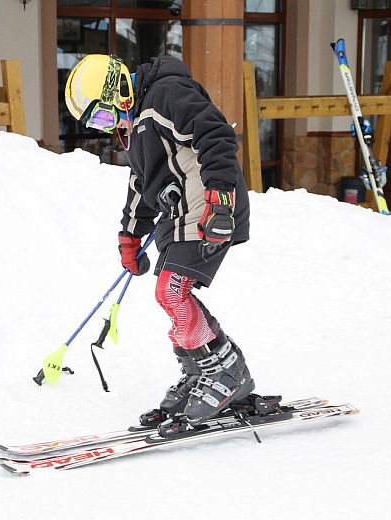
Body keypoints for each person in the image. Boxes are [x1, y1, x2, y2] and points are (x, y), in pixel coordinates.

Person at [64, 54, 254, 426]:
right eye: (100, 125)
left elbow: (215, 133)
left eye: (103, 116)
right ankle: (202, 370)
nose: (108, 127)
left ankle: (227, 373)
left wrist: (220, 199)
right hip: (180, 213)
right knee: (171, 294)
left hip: (210, 204)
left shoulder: (167, 94)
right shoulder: (136, 125)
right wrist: (130, 235)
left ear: (118, 90)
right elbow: (140, 183)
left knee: (172, 291)